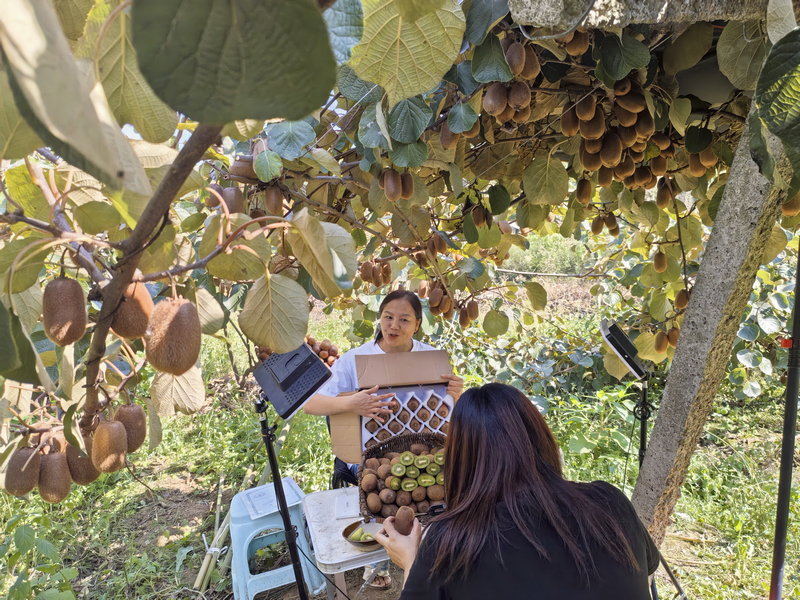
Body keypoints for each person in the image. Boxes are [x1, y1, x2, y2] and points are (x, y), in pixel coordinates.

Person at [374, 382, 660, 600]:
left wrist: (411, 561)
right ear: (542, 439)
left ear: (460, 460)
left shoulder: (451, 542)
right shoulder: (611, 502)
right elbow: (646, 570)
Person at [303, 289, 464, 590]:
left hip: (423, 456)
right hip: (370, 458)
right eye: (388, 317)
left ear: (417, 324)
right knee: (383, 490)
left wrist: (457, 394)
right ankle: (377, 558)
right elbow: (311, 403)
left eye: (404, 319)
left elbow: (451, 415)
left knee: (441, 491)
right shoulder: (355, 360)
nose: (394, 326)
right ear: (379, 318)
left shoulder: (431, 360)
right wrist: (351, 404)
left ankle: (428, 564)